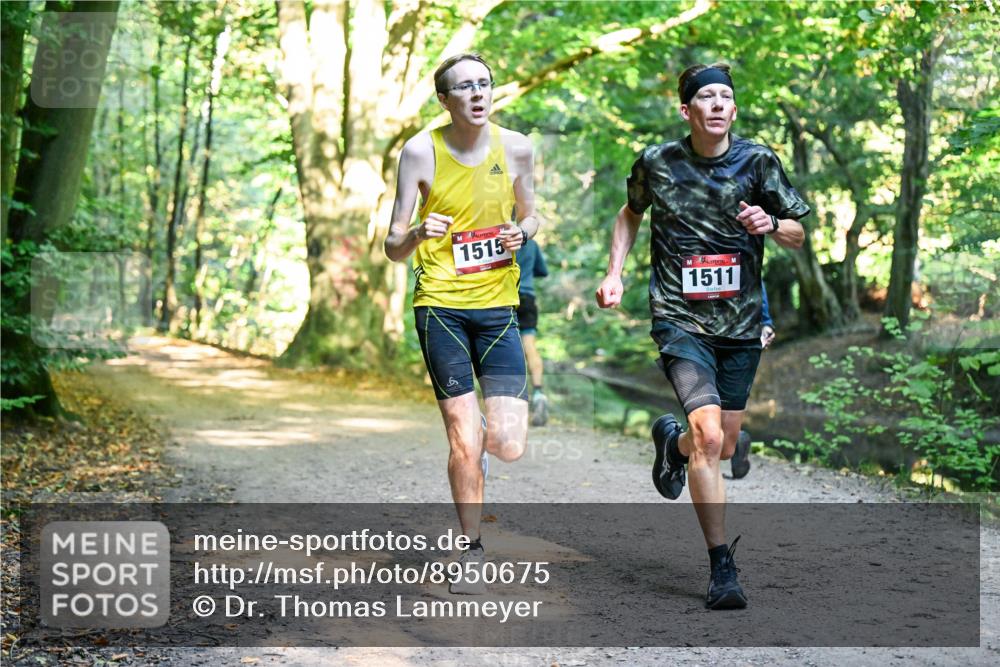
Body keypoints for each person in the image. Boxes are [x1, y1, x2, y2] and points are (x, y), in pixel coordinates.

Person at [595, 63, 808, 609]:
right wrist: (614, 272)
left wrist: (771, 225)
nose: (716, 104)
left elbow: (799, 234)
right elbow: (628, 214)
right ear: (686, 110)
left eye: (724, 97)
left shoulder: (758, 162)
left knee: (722, 441)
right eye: (704, 97)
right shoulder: (657, 162)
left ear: (733, 110)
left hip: (740, 324)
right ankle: (722, 568)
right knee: (711, 439)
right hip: (679, 319)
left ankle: (673, 444)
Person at [384, 53, 541, 595]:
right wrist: (419, 232)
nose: (477, 93)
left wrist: (525, 232)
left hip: (498, 307)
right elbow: (392, 246)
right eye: (464, 87)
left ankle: (478, 450)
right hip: (441, 307)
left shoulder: (517, 146)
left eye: (484, 84)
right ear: (444, 100)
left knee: (507, 444)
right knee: (463, 440)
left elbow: (531, 213)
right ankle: (470, 547)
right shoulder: (420, 151)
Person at [516, 237, 550, 426]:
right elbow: (543, 271)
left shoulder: (498, 235)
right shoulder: (531, 242)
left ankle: (511, 398)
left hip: (505, 296)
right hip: (527, 296)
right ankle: (538, 393)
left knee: (504, 347)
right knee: (529, 345)